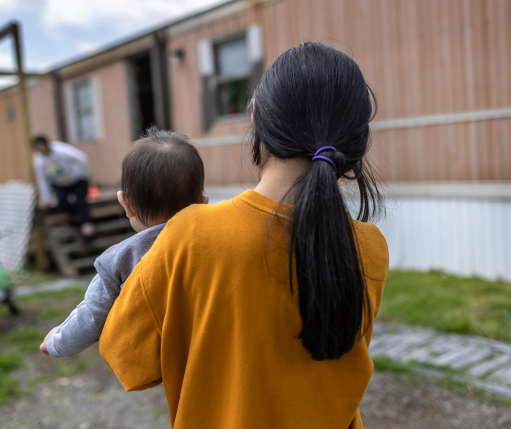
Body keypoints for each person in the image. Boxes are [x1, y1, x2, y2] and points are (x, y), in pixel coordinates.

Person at [99, 43, 389, 429]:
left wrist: (144, 245)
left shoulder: (189, 234)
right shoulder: (370, 248)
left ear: (255, 116)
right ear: (355, 145)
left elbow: (128, 359)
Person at [39, 127, 207, 358]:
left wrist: (56, 342)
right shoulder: (213, 242)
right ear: (203, 203)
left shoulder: (119, 260)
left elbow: (91, 316)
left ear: (126, 204)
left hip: (159, 357)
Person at [32, 135, 95, 239]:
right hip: (60, 183)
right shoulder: (39, 161)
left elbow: (82, 158)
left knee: (80, 201)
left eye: (42, 145)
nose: (41, 148)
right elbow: (42, 180)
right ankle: (76, 219)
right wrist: (45, 199)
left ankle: (87, 225)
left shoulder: (61, 150)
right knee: (61, 200)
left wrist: (82, 174)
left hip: (77, 180)